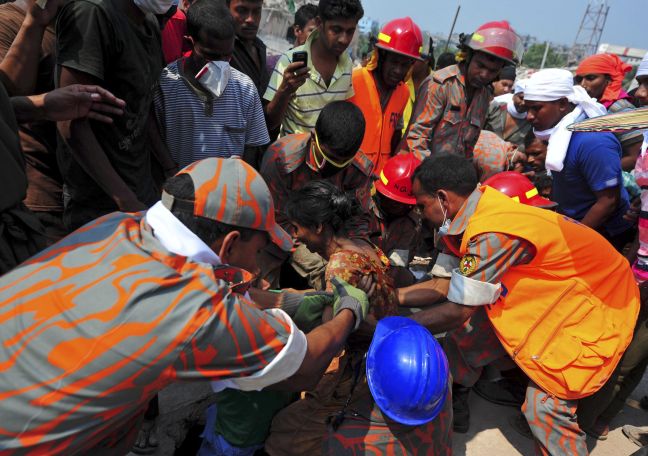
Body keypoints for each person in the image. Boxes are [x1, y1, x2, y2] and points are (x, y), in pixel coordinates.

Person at [0, 157, 371, 454]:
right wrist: (348, 312)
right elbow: (303, 368)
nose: (258, 268)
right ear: (229, 244)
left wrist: (285, 300)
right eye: (257, 252)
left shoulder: (115, 226)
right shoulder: (196, 308)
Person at [402, 153, 639, 453]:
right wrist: (398, 297)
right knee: (469, 332)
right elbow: (458, 286)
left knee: (544, 408)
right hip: (571, 288)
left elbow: (457, 309)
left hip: (602, 299)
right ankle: (455, 397)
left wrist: (396, 324)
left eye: (422, 206)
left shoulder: (490, 231)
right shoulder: (480, 204)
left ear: (442, 198)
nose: (421, 214)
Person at [264, 180, 452, 455]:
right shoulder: (365, 245)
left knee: (284, 435)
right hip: (383, 348)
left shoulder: (338, 268)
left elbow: (340, 332)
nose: (294, 236)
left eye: (296, 228)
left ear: (318, 227)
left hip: (361, 365)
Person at [55, 0, 171, 230]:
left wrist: (168, 168)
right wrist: (124, 199)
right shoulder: (92, 14)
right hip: (98, 203)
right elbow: (70, 121)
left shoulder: (148, 23)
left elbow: (141, 105)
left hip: (140, 191)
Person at [259, 101, 373, 289]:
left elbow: (358, 223)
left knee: (351, 283)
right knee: (262, 290)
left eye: (341, 164)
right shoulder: (281, 160)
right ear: (314, 138)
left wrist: (358, 260)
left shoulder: (359, 170)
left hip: (330, 238)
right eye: (326, 158)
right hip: (278, 235)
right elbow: (274, 220)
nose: (330, 169)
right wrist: (321, 259)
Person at [524, 68, 634, 251]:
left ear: (562, 104)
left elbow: (608, 202)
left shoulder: (593, 141)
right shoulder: (559, 134)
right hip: (572, 226)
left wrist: (569, 243)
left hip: (602, 235)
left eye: (535, 108)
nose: (529, 116)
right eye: (527, 108)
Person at [153, 0, 269, 168]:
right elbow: (155, 140)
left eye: (227, 56)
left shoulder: (245, 89)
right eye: (211, 56)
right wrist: (170, 171)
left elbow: (253, 146)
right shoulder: (167, 84)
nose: (220, 64)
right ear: (190, 42)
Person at [399, 20, 522, 160]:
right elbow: (417, 138)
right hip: (420, 170)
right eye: (480, 65)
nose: (484, 74)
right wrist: (429, 176)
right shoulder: (441, 84)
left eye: (492, 71)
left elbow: (469, 147)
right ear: (469, 56)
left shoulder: (484, 96)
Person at [0, 0, 67, 245]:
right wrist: (35, 22)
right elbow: (7, 96)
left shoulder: (78, 19)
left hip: (87, 190)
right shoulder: (7, 21)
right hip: (42, 197)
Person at [264, 0, 363, 136]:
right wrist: (284, 91)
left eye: (350, 31)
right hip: (292, 155)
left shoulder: (347, 64)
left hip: (326, 157)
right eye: (336, 30)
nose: (344, 40)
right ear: (319, 23)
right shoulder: (288, 61)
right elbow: (269, 123)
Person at [348, 17, 422, 173]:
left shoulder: (403, 92)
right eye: (394, 62)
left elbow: (395, 133)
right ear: (381, 56)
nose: (398, 70)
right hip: (349, 174)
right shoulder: (354, 80)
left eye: (404, 65)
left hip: (378, 179)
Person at [370, 153, 423, 287]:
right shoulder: (362, 209)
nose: (396, 207)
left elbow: (398, 261)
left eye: (401, 204)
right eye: (392, 202)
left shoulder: (410, 222)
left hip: (388, 271)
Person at [484, 79, 532, 151]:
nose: (523, 103)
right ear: (514, 96)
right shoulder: (495, 108)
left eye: (528, 100)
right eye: (521, 98)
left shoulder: (530, 122)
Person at [402, 37, 435, 135]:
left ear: (426, 60)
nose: (410, 62)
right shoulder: (400, 80)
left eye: (414, 59)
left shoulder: (439, 84)